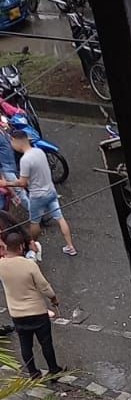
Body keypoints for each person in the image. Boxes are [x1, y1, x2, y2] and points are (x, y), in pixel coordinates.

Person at [0, 231, 63, 378]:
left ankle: (33, 372)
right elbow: (44, 286)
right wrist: (53, 299)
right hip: (37, 312)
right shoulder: (29, 265)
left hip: (17, 313)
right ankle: (53, 370)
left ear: (6, 247)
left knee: (25, 344)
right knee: (46, 343)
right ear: (21, 246)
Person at [7, 130, 77, 256]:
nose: (11, 145)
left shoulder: (25, 160)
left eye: (11, 141)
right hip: (51, 191)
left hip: (38, 196)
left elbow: (22, 183)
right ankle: (70, 246)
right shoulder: (39, 152)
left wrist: (6, 183)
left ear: (16, 141)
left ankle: (32, 245)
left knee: (34, 222)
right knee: (60, 218)